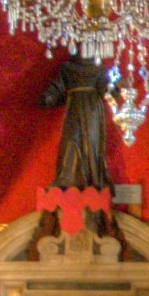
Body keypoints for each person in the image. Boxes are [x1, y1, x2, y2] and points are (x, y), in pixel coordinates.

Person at [41, 54, 116, 193]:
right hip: (74, 109)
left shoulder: (99, 69)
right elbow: (58, 88)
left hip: (93, 111)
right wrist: (49, 97)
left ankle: (92, 182)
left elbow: (107, 90)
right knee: (71, 139)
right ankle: (67, 179)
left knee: (91, 143)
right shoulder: (67, 68)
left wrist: (117, 87)